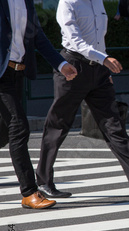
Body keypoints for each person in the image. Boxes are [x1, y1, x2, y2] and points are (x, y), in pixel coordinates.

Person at [36, 0, 129, 199]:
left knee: (113, 122)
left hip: (98, 70)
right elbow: (74, 39)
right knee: (58, 124)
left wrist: (103, 65)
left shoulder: (97, 2)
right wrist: (103, 59)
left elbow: (98, 38)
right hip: (73, 66)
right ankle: (43, 181)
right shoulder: (67, 3)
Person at [0, 0, 77, 209]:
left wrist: (60, 64)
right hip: (1, 76)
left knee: (4, 131)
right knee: (18, 127)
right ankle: (29, 192)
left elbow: (36, 36)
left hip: (17, 73)